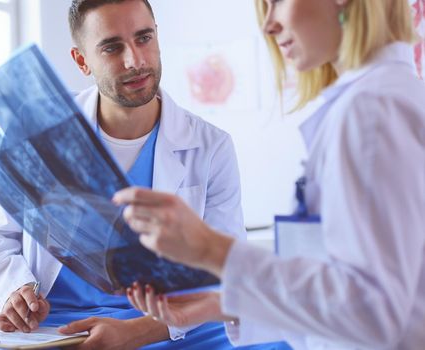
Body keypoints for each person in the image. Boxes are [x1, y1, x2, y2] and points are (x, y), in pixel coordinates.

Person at [0, 0, 288, 348]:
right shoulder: (37, 129)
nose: (134, 61)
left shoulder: (211, 146)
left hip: (166, 323)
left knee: (280, 341)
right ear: (82, 61)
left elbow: (224, 270)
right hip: (59, 325)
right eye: (111, 47)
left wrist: (136, 332)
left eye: (143, 38)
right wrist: (16, 289)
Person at [115, 0, 425, 349]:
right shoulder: (382, 97)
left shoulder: (371, 110)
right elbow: (349, 293)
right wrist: (227, 305)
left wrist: (212, 249)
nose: (268, 25)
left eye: (277, 2)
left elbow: (373, 315)